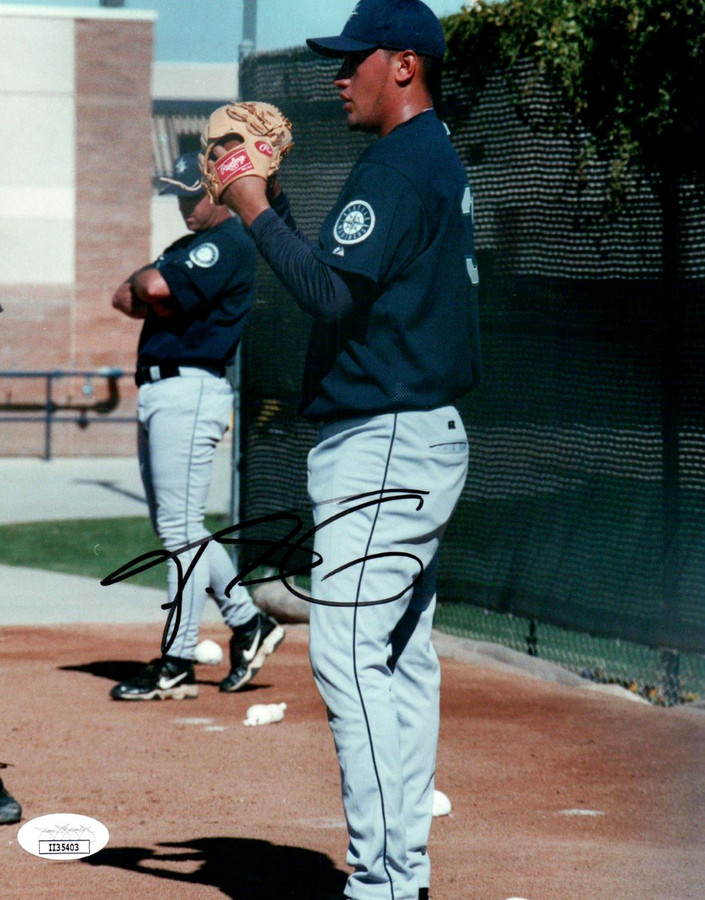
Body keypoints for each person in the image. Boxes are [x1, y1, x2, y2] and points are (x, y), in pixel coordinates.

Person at [209, 0, 481, 896]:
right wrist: (274, 204)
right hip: (416, 434)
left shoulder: (399, 166)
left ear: (402, 65)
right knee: (398, 659)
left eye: (353, 59)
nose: (337, 74)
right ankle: (399, 874)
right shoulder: (423, 157)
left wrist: (250, 206)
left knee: (351, 656)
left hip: (387, 439)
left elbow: (327, 295)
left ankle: (380, 882)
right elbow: (347, 283)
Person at [109, 151, 284, 702]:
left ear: (221, 192)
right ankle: (249, 622)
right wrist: (151, 284)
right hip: (163, 390)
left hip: (190, 388)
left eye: (195, 193)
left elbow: (151, 291)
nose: (187, 204)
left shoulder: (227, 241)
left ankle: (177, 659)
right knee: (177, 530)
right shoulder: (186, 247)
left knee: (182, 531)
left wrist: (154, 288)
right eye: (179, 194)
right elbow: (122, 297)